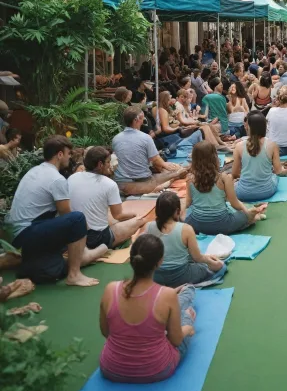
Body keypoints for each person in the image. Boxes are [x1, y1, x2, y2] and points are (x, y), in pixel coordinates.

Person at [7, 135, 106, 286]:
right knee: (78, 219)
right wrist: (85, 230)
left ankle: (78, 256)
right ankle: (75, 275)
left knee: (69, 231)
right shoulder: (56, 179)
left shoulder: (35, 170)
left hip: (17, 233)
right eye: (68, 153)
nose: (69, 157)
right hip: (28, 232)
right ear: (60, 154)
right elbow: (68, 215)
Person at [99, 233, 196, 383]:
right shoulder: (167, 295)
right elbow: (176, 341)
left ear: (131, 258)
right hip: (157, 369)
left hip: (111, 369)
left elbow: (106, 332)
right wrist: (188, 326)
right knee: (186, 310)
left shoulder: (110, 289)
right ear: (160, 262)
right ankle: (187, 309)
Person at [68, 146, 145, 250]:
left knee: (108, 215)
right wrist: (135, 214)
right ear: (100, 164)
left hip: (74, 236)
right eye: (108, 162)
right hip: (96, 239)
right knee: (139, 220)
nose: (110, 165)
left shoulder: (72, 178)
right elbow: (118, 215)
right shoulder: (109, 184)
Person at [145, 191, 227, 287]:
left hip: (157, 277)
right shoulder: (186, 229)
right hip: (181, 275)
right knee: (221, 266)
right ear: (177, 211)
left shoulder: (148, 227)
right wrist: (211, 261)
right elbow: (198, 258)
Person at [185, 140, 266, 234]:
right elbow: (234, 203)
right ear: (215, 157)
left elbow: (188, 203)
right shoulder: (224, 178)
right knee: (248, 217)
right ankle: (252, 216)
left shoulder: (190, 179)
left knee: (186, 216)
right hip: (222, 224)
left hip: (196, 225)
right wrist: (246, 214)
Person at [113, 107, 187, 196]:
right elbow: (157, 161)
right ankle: (171, 178)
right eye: (142, 119)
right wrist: (173, 168)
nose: (143, 121)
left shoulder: (116, 139)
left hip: (120, 183)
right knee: (176, 171)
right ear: (136, 120)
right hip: (141, 182)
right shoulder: (145, 138)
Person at [232, 111, 287, 202]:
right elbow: (278, 171)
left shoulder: (238, 146)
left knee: (231, 182)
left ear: (249, 127)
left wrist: (248, 178)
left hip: (243, 193)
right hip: (267, 191)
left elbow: (235, 173)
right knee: (274, 177)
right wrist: (286, 169)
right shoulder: (272, 145)